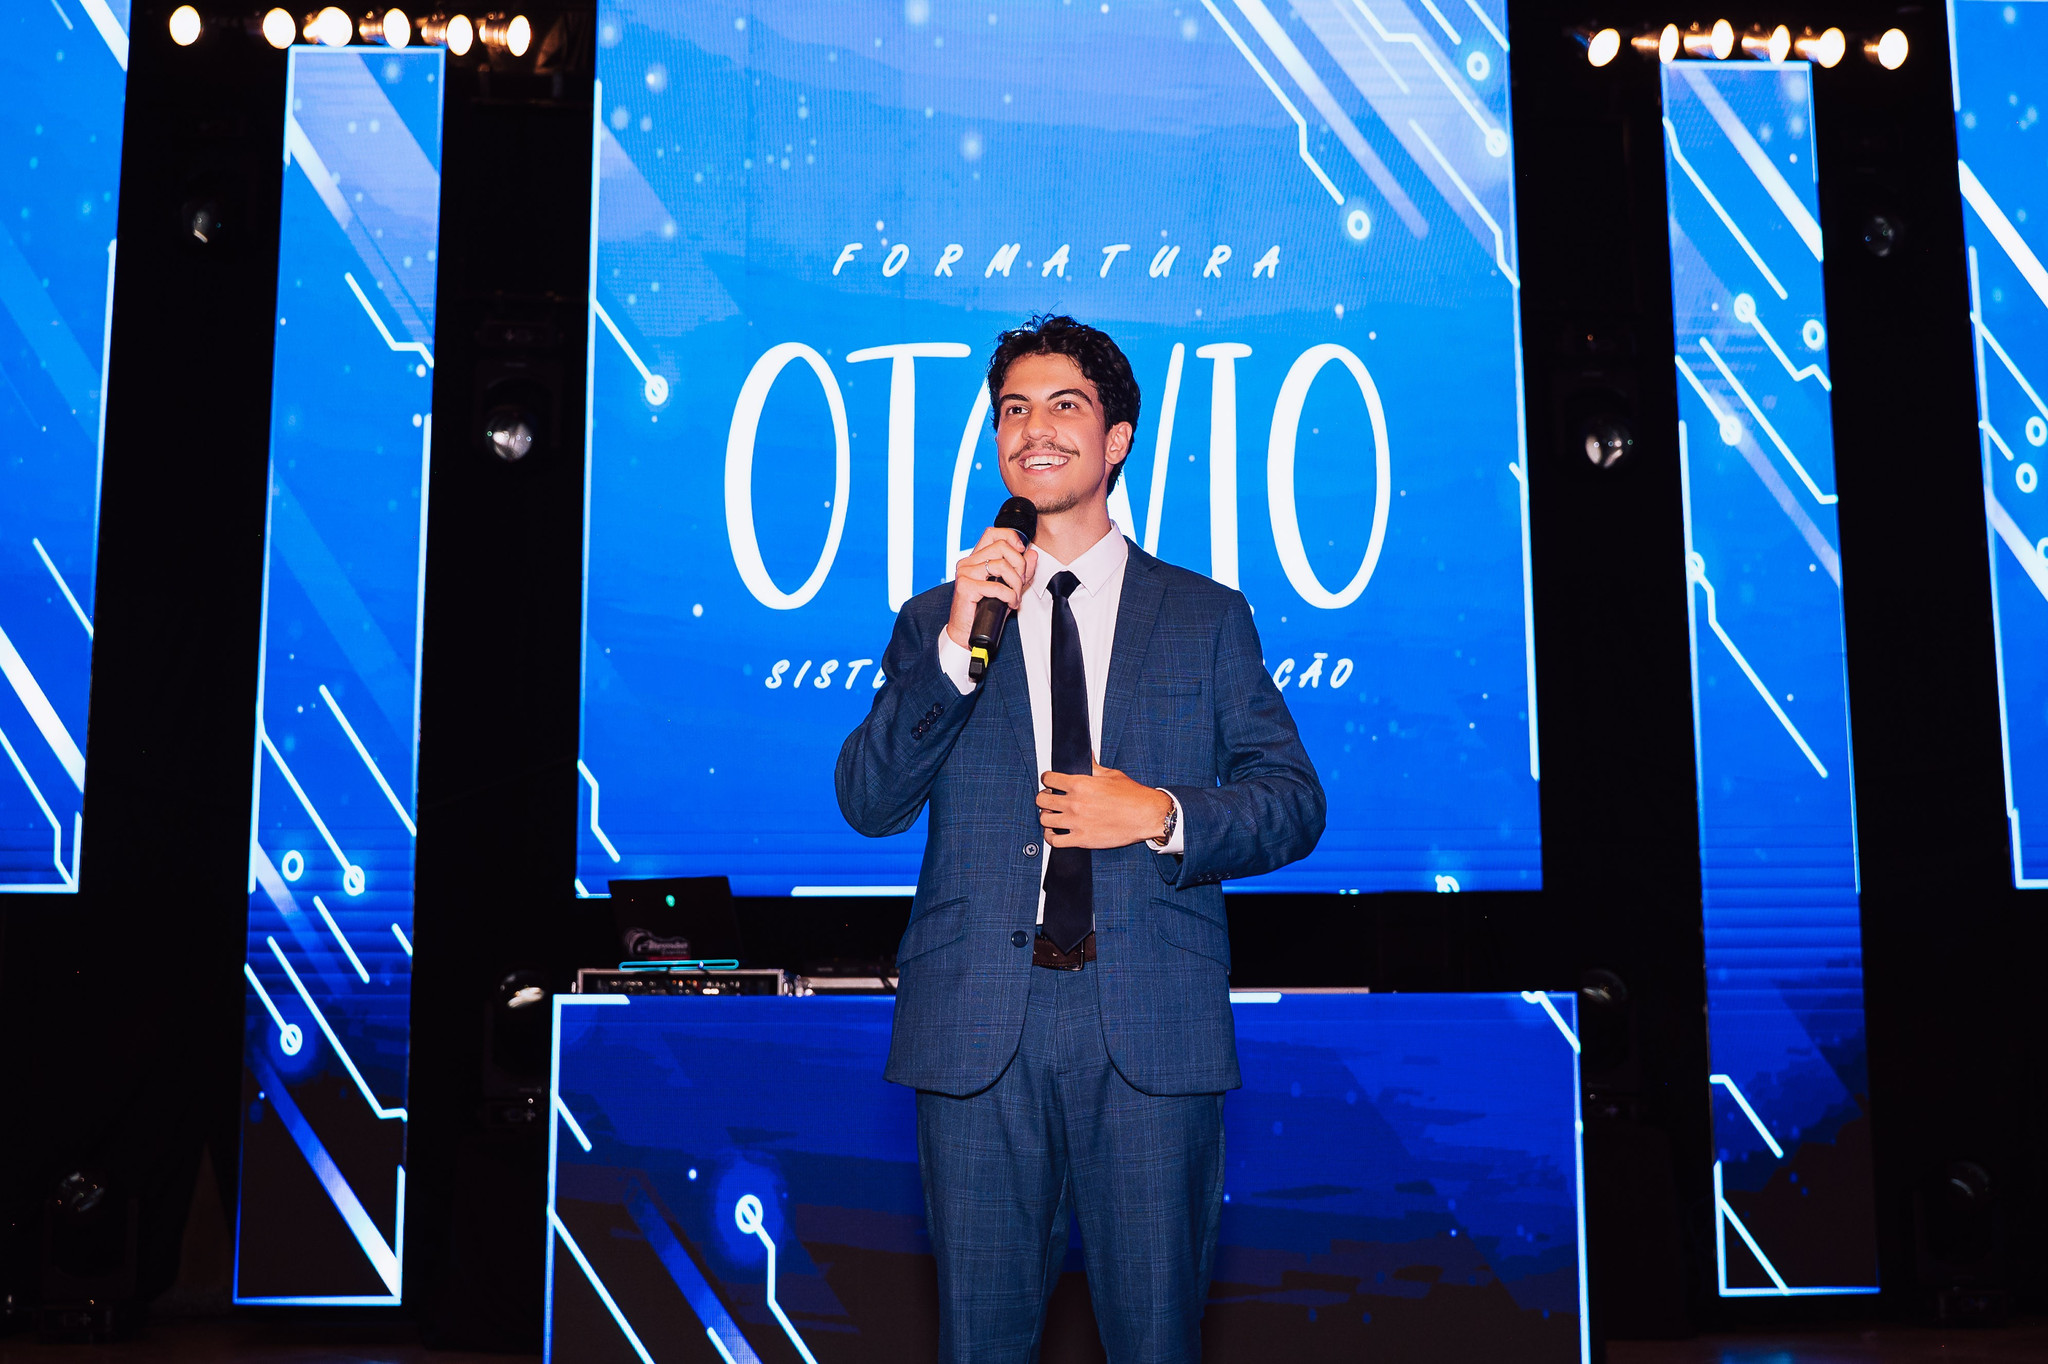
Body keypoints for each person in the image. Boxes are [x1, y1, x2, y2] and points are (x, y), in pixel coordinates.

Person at [835, 314, 1325, 1363]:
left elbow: (1293, 800)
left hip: (1149, 1023)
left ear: (1116, 439)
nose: (1034, 428)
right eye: (1012, 409)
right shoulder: (936, 618)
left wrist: (1159, 814)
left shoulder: (1203, 616)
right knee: (979, 1342)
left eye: (1064, 405)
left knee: (1155, 1340)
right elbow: (868, 801)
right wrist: (956, 651)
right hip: (978, 1025)